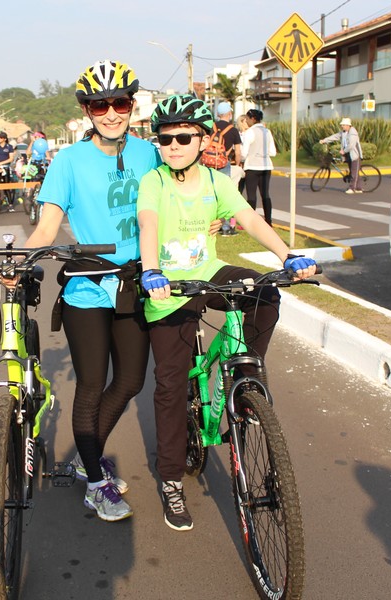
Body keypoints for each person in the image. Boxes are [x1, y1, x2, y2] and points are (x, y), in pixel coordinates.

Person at [136, 94, 317, 531]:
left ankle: (244, 376)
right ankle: (172, 481)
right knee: (170, 385)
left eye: (183, 137)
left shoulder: (216, 181)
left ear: (202, 139)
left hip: (209, 272)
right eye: (165, 139)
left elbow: (249, 218)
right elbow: (148, 224)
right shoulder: (154, 182)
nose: (174, 145)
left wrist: (287, 254)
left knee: (265, 294)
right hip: (169, 289)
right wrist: (151, 270)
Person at [20, 60, 161, 522]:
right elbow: (47, 226)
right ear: (87, 109)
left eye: (119, 102)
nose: (111, 112)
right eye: (100, 104)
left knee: (131, 381)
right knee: (92, 384)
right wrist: (20, 261)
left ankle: (87, 456)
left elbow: (168, 209)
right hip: (87, 285)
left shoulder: (149, 154)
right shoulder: (68, 161)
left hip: (135, 282)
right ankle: (96, 484)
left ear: (131, 105)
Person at [241, 108, 276, 225]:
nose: (246, 122)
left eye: (247, 119)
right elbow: (273, 152)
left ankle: (252, 222)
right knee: (265, 194)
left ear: (253, 119)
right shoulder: (267, 132)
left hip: (252, 166)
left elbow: (243, 153)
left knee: (251, 195)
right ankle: (268, 221)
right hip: (266, 166)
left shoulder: (250, 132)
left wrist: (242, 160)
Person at [214, 102, 242, 235]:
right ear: (229, 114)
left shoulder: (211, 127)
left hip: (209, 163)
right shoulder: (233, 130)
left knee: (211, 194)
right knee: (225, 194)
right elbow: (237, 151)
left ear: (218, 114)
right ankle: (225, 226)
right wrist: (238, 163)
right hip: (224, 163)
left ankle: (213, 223)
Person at [320, 117, 363, 194]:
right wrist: (325, 140)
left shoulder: (353, 133)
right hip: (348, 154)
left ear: (348, 125)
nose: (342, 126)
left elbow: (351, 145)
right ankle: (358, 188)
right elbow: (335, 136)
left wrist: (344, 151)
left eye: (343, 125)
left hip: (355, 155)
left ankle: (352, 188)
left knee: (354, 172)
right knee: (354, 171)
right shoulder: (344, 132)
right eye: (341, 125)